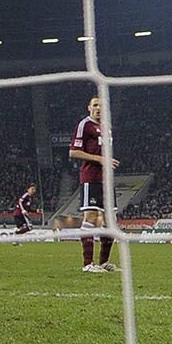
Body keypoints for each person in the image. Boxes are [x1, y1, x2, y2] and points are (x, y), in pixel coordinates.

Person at [69, 97, 119, 273]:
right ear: (89, 107)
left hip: (107, 180)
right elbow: (74, 152)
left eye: (102, 106)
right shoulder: (85, 124)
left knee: (111, 222)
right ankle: (88, 264)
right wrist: (100, 159)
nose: (98, 108)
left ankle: (104, 262)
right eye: (95, 105)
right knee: (90, 217)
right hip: (91, 177)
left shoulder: (107, 127)